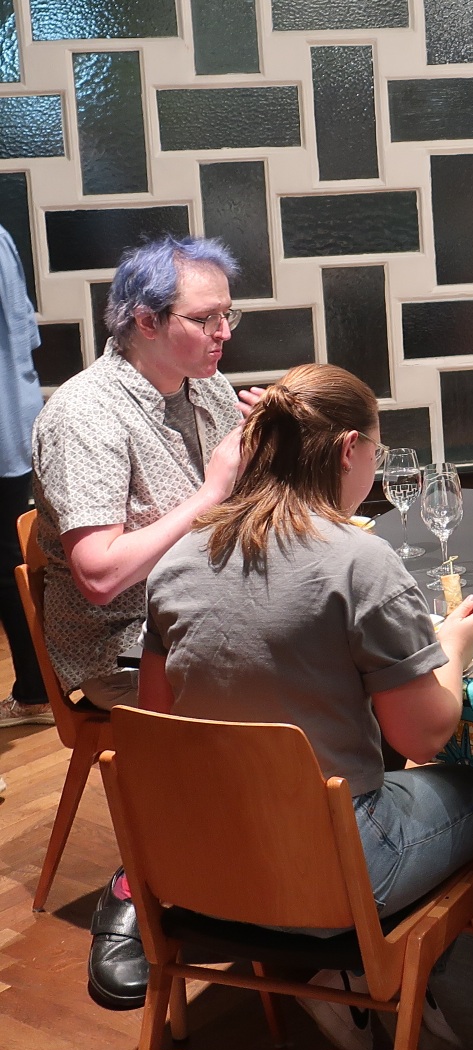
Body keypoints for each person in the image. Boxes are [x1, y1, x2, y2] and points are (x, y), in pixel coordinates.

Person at [141, 363, 473, 1050]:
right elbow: (422, 737)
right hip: (334, 878)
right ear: (351, 449)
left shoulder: (176, 561)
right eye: (377, 450)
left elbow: (155, 726)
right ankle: (407, 976)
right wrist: (452, 647)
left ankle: (342, 984)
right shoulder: (358, 560)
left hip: (195, 864)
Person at [30, 235, 261, 1010]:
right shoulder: (85, 413)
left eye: (229, 316)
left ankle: (302, 862)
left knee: (341, 652)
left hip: (211, 614)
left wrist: (275, 448)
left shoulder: (209, 390)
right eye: (207, 319)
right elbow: (98, 577)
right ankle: (137, 883)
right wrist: (215, 488)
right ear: (146, 321)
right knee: (284, 691)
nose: (225, 333)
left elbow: (239, 507)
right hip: (121, 642)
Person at [0, 222, 48, 727]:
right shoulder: (1, 237)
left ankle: (36, 690)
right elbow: (27, 332)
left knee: (8, 563)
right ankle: (37, 688)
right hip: (14, 418)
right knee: (10, 560)